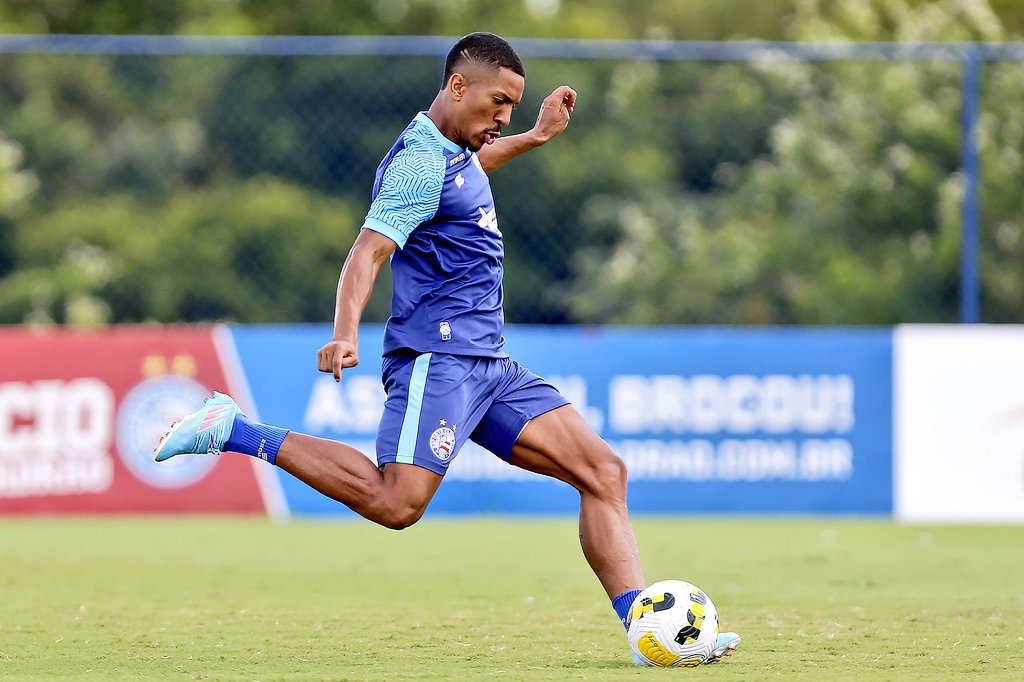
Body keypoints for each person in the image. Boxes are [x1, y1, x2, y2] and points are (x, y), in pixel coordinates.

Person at [155, 31, 738, 665]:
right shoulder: (415, 164)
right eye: (498, 102)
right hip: (439, 361)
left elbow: (472, 172)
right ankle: (233, 429)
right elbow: (368, 250)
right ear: (458, 87)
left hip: (491, 364)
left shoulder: (456, 153)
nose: (505, 117)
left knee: (603, 473)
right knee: (396, 503)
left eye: (513, 106)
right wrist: (345, 332)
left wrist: (536, 138)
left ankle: (645, 631)